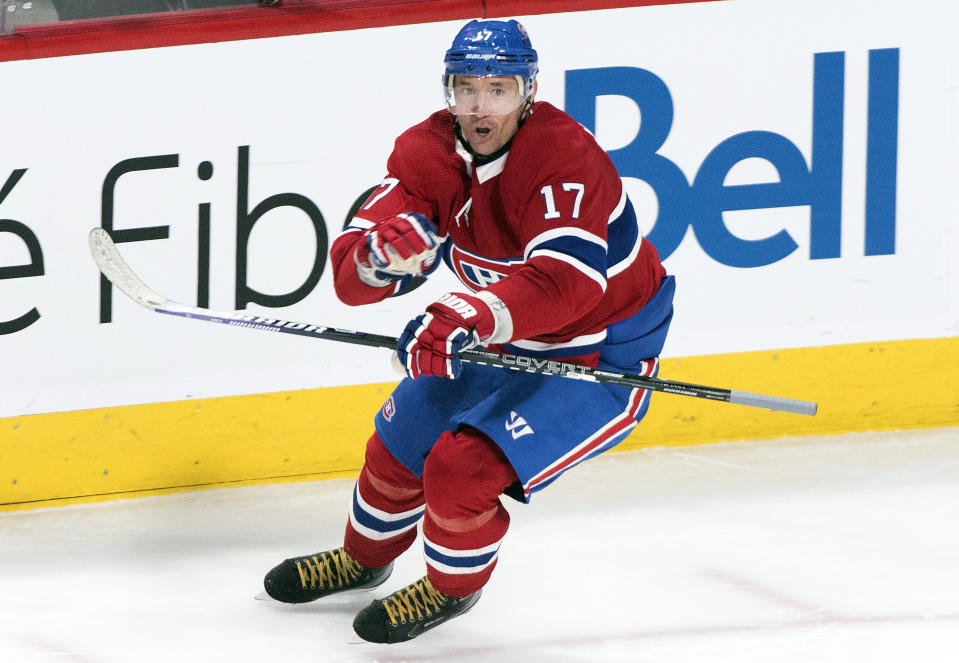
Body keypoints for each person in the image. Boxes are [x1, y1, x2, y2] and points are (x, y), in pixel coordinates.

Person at [262, 18, 675, 644]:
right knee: (399, 439)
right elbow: (352, 279)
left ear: (528, 91)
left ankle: (451, 589)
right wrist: (380, 259)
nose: (481, 106)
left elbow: (568, 286)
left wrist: (471, 315)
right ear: (448, 90)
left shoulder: (564, 158)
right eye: (467, 87)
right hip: (501, 331)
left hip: (599, 349)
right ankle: (364, 560)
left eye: (499, 88)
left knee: (462, 470)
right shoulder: (425, 152)